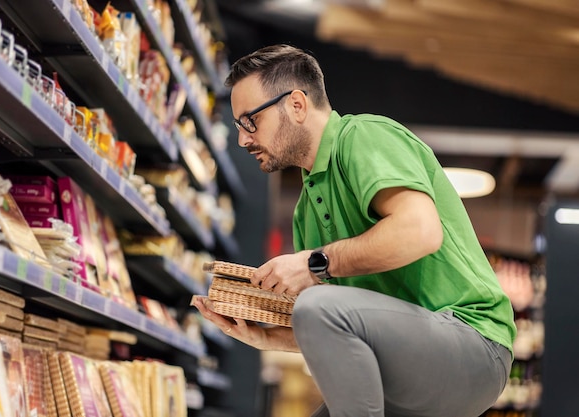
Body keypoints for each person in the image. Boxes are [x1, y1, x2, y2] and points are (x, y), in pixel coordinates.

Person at [192, 44, 516, 417]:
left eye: (250, 121)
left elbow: (421, 231)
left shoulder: (362, 137)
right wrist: (262, 336)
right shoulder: (305, 211)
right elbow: (340, 328)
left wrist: (315, 263)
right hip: (403, 363)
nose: (243, 139)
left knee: (315, 304)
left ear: (296, 105)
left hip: (473, 344)